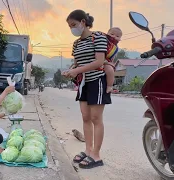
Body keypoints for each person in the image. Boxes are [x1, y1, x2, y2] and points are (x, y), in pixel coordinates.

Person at [62, 9, 112, 169]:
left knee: (96, 119)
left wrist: (77, 70)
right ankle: (88, 150)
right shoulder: (76, 44)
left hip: (97, 80)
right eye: (70, 26)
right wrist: (70, 70)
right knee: (85, 117)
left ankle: (96, 155)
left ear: (83, 22)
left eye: (74, 25)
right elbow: (77, 63)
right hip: (84, 83)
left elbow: (99, 62)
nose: (72, 29)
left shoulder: (98, 37)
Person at [104, 27, 123, 93]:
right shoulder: (103, 41)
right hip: (99, 59)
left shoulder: (116, 48)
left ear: (120, 38)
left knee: (110, 70)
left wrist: (111, 64)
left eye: (117, 36)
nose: (114, 37)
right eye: (112, 34)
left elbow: (112, 58)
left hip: (106, 62)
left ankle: (109, 86)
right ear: (107, 34)